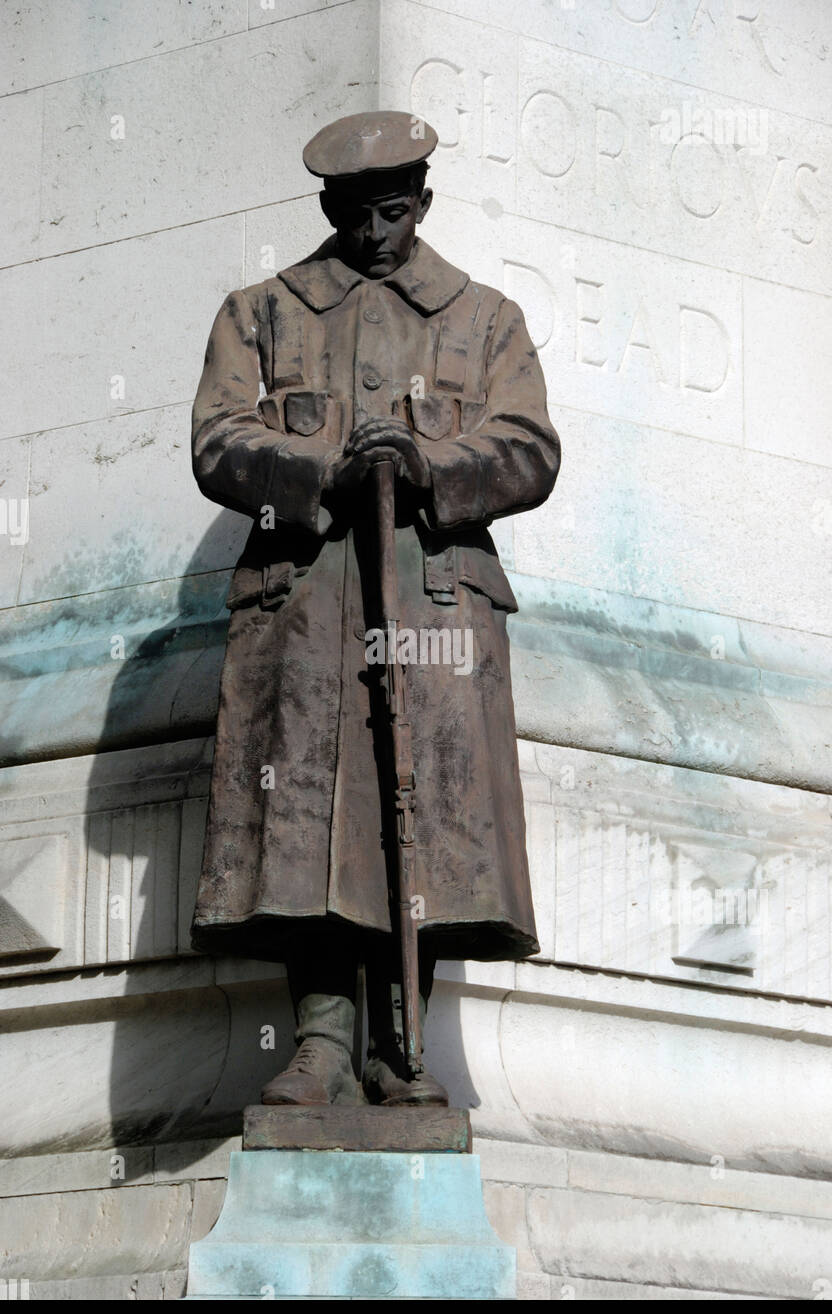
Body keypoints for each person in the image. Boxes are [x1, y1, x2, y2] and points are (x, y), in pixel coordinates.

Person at [189, 110, 560, 1106]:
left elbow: (530, 446)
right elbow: (218, 442)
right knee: (307, 819)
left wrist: (430, 463)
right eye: (354, 213)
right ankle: (317, 1038)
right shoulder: (261, 312)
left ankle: (402, 1040)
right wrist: (319, 465)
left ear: (424, 206)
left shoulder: (485, 319)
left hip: (432, 607)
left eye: (393, 213)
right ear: (326, 208)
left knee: (425, 816)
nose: (374, 232)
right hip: (306, 611)